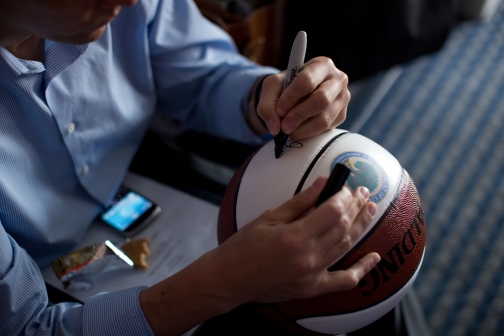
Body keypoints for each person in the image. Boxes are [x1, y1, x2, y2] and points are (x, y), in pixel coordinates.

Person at [0, 0, 380, 335]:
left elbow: (203, 78)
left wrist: (265, 98)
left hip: (147, 171)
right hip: (38, 284)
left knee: (366, 261)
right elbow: (29, 326)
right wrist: (225, 283)